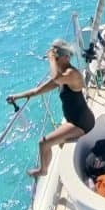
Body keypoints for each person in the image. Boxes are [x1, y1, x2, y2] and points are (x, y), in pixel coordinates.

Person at [7, 39, 95, 178]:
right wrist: (16, 96)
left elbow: (56, 77)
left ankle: (43, 170)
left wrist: (51, 59)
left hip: (81, 123)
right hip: (73, 120)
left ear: (66, 57)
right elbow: (37, 91)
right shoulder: (61, 76)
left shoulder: (71, 74)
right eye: (55, 59)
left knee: (43, 143)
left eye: (57, 58)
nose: (56, 61)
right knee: (58, 143)